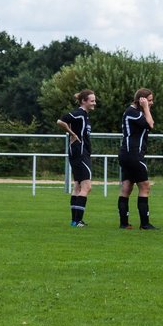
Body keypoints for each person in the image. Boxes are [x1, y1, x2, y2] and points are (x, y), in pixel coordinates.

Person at [57, 89, 96, 227]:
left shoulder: (84, 116)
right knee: (87, 186)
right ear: (83, 101)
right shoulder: (79, 114)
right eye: (92, 101)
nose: (94, 103)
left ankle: (74, 221)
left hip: (79, 152)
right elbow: (60, 121)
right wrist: (72, 133)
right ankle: (78, 221)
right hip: (79, 153)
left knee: (78, 185)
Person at [118, 88, 157, 230]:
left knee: (126, 188)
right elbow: (150, 124)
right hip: (133, 155)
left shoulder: (135, 112)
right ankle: (145, 224)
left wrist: (145, 108)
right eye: (150, 100)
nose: (152, 103)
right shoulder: (132, 112)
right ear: (142, 99)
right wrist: (146, 107)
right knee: (145, 187)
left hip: (128, 154)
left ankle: (124, 223)